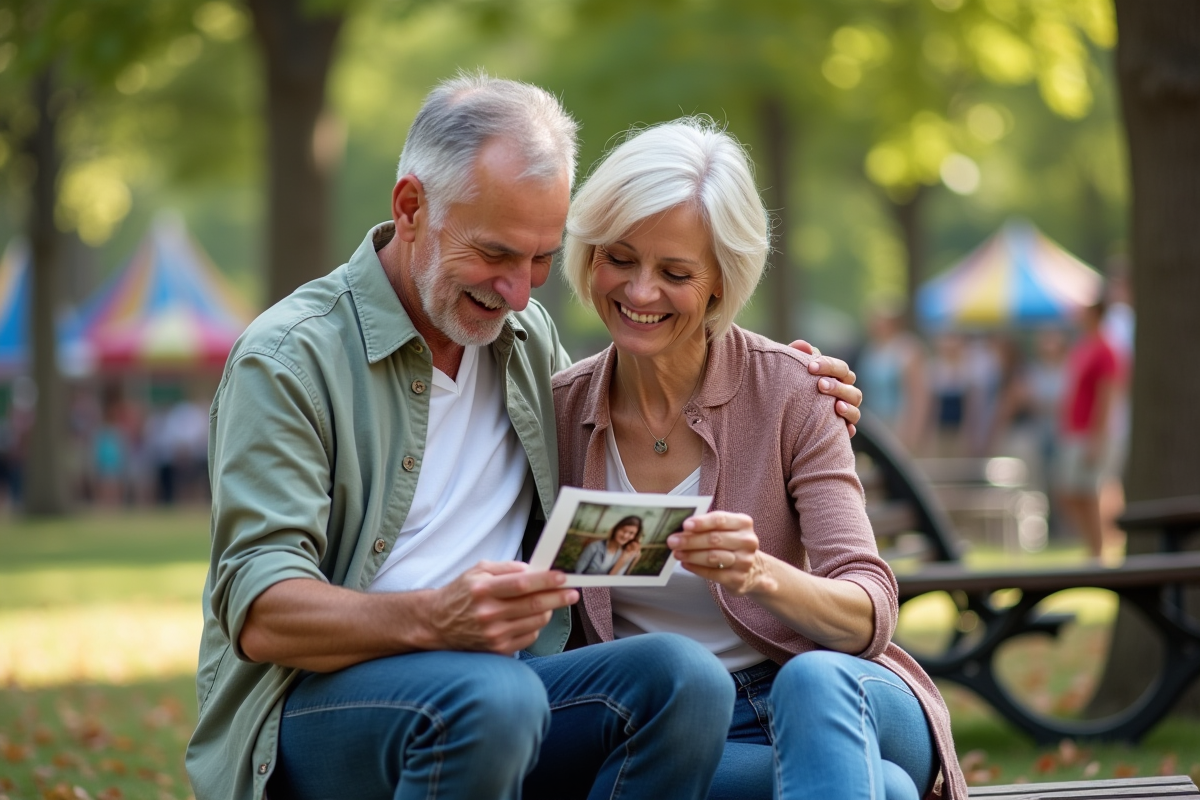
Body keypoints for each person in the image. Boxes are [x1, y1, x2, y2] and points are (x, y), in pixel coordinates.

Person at [185, 75, 864, 800]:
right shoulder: (291, 358)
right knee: (492, 698)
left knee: (682, 678)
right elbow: (259, 612)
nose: (518, 290)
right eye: (496, 254)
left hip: (508, 680)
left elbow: (643, 397)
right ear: (411, 207)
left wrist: (794, 384)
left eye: (541, 258)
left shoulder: (524, 342)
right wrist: (435, 618)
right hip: (325, 705)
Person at [554, 118, 967, 800]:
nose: (640, 291)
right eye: (619, 259)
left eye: (675, 272)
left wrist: (759, 574)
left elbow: (870, 612)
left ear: (721, 280)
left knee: (815, 683)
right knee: (885, 792)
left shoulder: (793, 392)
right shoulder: (559, 414)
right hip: (683, 728)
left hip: (835, 689)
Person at [1056, 299, 1119, 558]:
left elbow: (1107, 396)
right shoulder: (1084, 347)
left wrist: (1097, 437)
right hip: (1074, 431)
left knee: (1088, 493)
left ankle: (1098, 550)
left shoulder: (1106, 350)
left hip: (1089, 433)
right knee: (1070, 492)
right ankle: (1094, 546)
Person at [576, 515, 644, 575]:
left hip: (606, 588)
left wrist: (624, 559)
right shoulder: (594, 547)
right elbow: (577, 572)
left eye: (631, 533)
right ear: (616, 529)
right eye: (623, 530)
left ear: (635, 536)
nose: (625, 536)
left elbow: (615, 579)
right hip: (584, 586)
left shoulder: (627, 553)